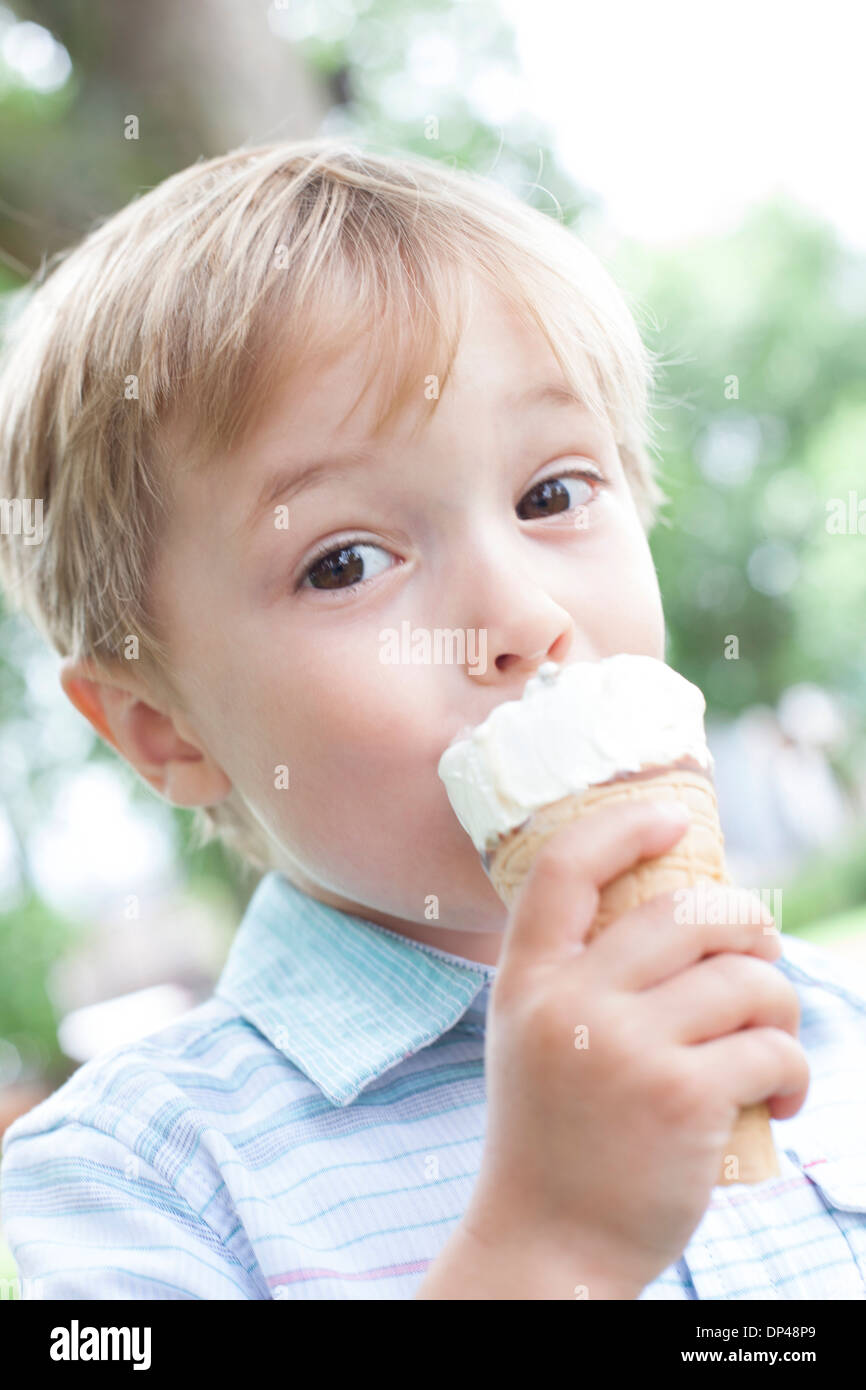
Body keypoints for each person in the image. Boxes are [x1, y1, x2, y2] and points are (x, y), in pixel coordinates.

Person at [1, 139, 864, 1300]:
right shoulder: (138, 1178)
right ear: (163, 729)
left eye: (550, 493)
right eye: (345, 560)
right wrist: (542, 1252)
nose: (519, 614)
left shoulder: (832, 1018)